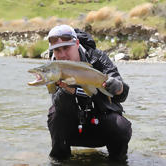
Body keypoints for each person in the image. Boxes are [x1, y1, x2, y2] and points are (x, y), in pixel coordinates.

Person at [46, 24, 132, 160]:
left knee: (121, 126)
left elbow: (122, 95)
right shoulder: (53, 68)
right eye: (57, 50)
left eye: (66, 48)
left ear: (77, 43)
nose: (62, 55)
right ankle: (59, 160)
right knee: (55, 115)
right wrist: (67, 89)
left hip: (100, 123)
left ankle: (118, 161)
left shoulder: (97, 58)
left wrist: (118, 86)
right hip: (70, 128)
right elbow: (58, 105)